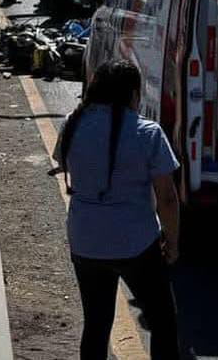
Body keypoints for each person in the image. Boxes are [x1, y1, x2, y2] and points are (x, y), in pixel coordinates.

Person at [55, 60, 182, 360]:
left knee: (97, 324)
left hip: (85, 241)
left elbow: (64, 162)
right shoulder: (148, 132)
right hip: (136, 243)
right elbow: (166, 198)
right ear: (133, 94)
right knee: (164, 322)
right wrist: (172, 242)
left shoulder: (71, 125)